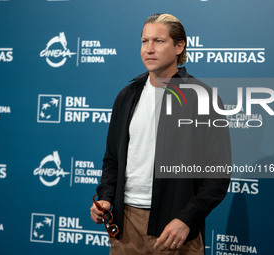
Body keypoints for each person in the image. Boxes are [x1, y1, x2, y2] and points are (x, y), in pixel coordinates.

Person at [90, 13, 231, 255]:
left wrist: (187, 219)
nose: (149, 49)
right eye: (144, 41)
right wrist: (105, 198)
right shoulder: (127, 95)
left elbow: (217, 175)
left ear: (179, 46)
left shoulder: (202, 98)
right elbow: (112, 160)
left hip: (175, 230)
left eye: (159, 41)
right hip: (125, 226)